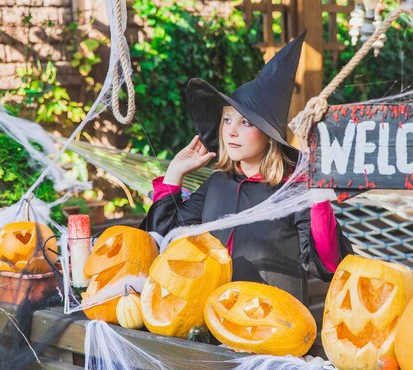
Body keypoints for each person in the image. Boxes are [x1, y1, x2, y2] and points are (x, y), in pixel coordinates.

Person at [141, 32, 353, 303]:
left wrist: (318, 196)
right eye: (227, 120)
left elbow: (327, 263)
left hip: (270, 328)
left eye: (245, 123)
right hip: (211, 328)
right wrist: (174, 175)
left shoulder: (293, 192)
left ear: (269, 135)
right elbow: (160, 241)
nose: (231, 132)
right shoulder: (216, 186)